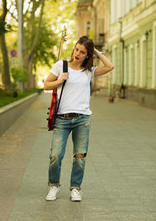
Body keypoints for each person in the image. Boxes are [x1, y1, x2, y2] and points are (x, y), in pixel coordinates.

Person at [44, 36, 114, 202]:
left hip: (83, 118)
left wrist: (97, 51)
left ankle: (76, 188)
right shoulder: (61, 65)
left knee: (79, 156)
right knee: (56, 155)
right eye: (76, 49)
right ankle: (53, 185)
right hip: (62, 118)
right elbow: (46, 85)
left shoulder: (89, 71)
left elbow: (110, 66)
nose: (77, 54)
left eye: (82, 52)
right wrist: (60, 80)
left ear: (87, 55)